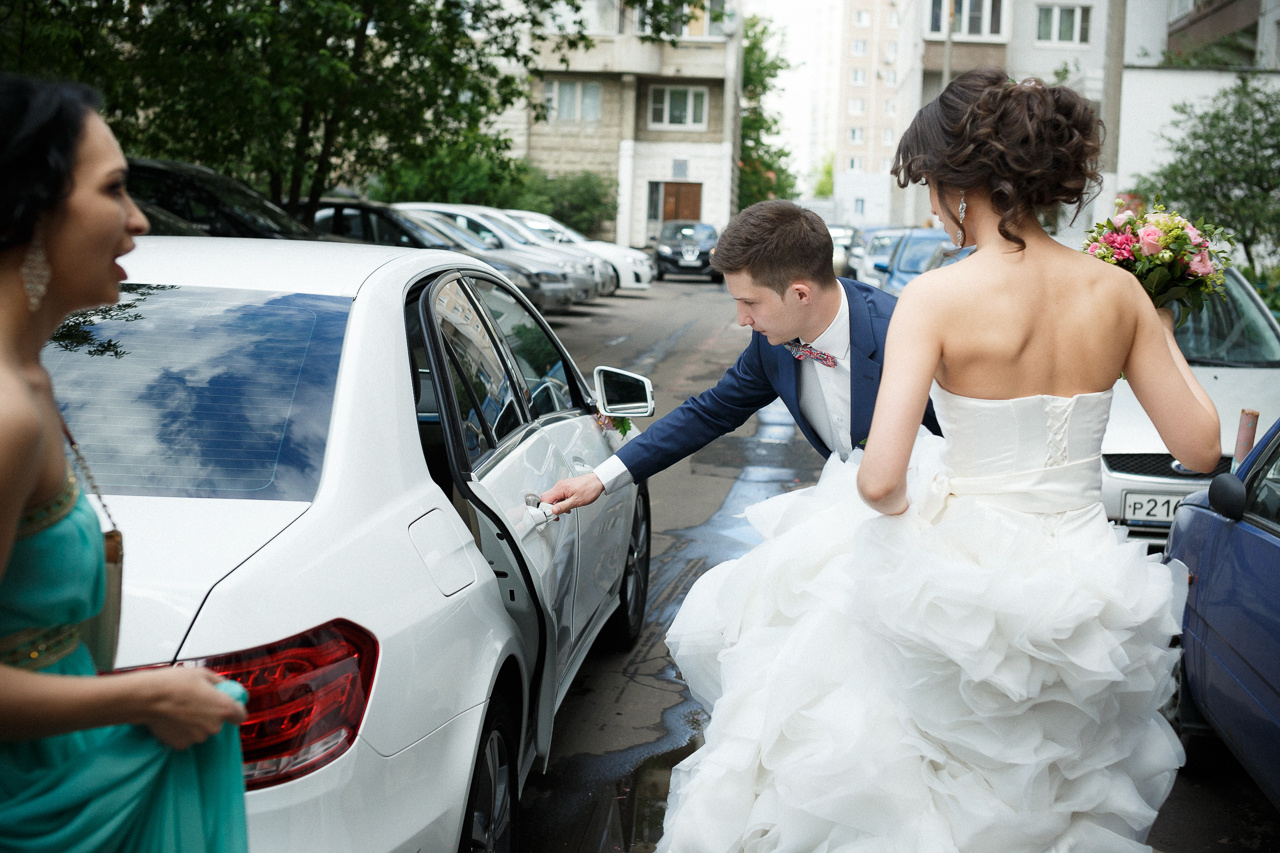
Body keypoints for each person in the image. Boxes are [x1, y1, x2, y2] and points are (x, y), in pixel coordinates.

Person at [653, 68, 1220, 852]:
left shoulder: (936, 297)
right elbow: (1201, 446)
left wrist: (926, 506)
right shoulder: (1119, 293)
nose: (929, 206)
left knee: (914, 787)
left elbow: (880, 478)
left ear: (964, 183)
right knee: (1055, 795)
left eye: (928, 185)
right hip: (1090, 591)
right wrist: (1158, 325)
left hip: (962, 588)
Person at [0, 75, 250, 852]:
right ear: (33, 209)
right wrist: (148, 697)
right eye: (114, 189)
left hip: (62, 772)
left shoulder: (32, 381)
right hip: (35, 796)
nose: (138, 220)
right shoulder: (6, 413)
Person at [541, 199, 942, 514]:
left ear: (801, 294)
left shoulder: (906, 334)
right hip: (848, 510)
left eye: (750, 302)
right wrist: (600, 478)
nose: (741, 319)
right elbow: (710, 412)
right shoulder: (772, 344)